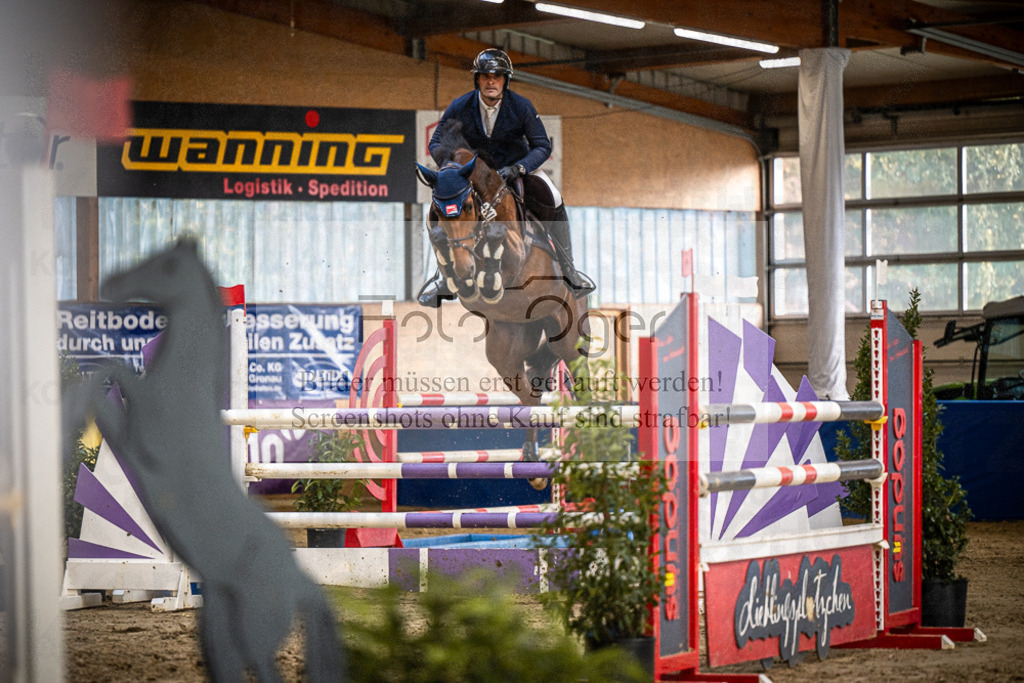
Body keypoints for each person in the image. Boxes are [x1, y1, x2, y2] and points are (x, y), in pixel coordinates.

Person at [418, 48, 595, 307]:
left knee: (554, 196)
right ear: (477, 79)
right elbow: (436, 141)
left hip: (514, 169)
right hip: (474, 174)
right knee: (440, 207)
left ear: (505, 81)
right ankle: (444, 276)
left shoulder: (521, 106)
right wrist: (451, 167)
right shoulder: (460, 105)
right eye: (486, 76)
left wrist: (520, 168)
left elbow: (542, 146)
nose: (491, 81)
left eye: (498, 76)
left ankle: (570, 269)